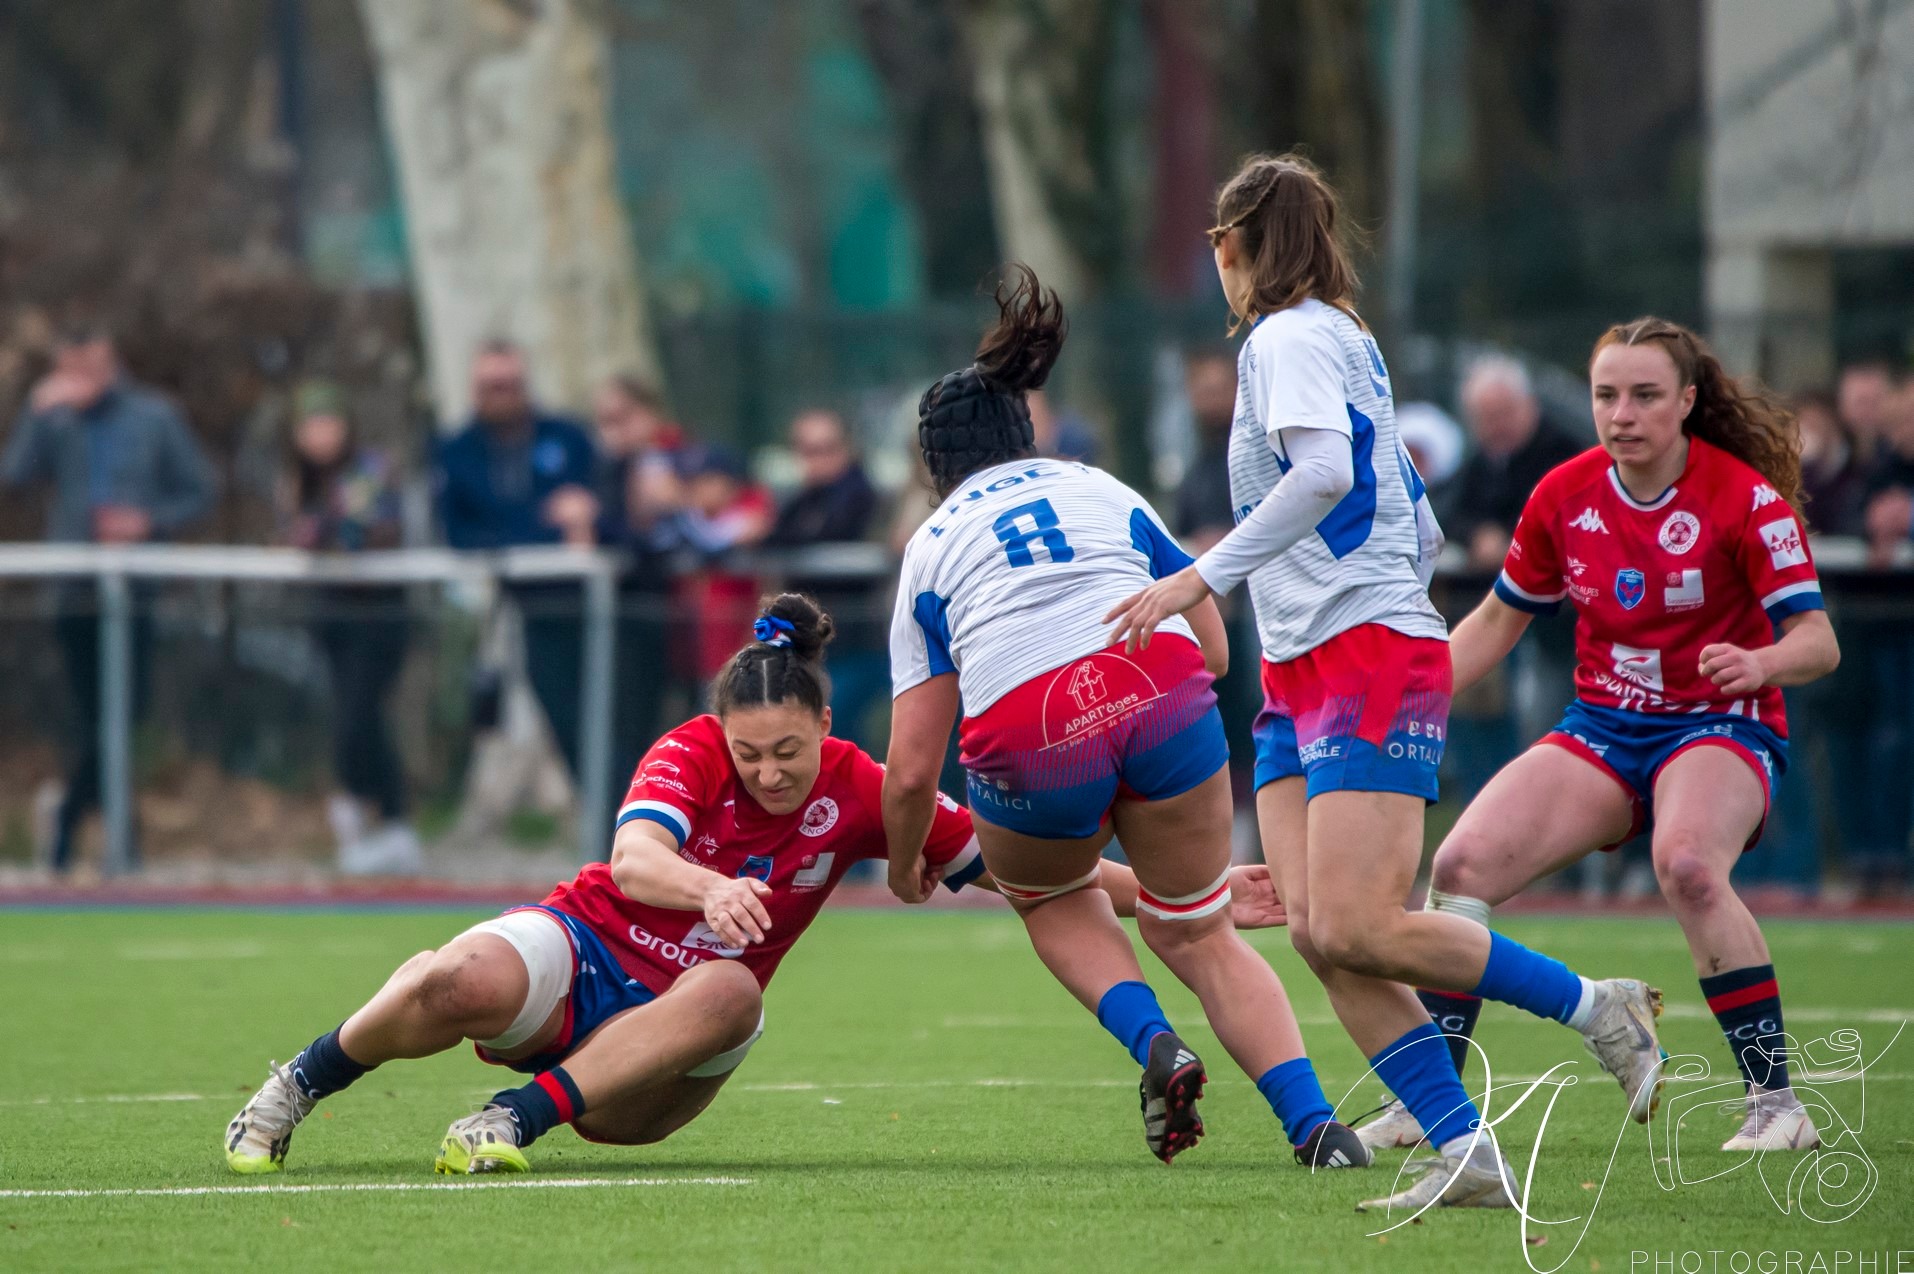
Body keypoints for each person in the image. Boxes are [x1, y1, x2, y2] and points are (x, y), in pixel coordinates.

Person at [223, 594, 1288, 1174]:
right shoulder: (688, 748)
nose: (768, 770)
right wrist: (703, 890)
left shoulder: (864, 785)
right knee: (448, 974)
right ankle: (296, 1087)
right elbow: (635, 858)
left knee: (737, 989)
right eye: (749, 752)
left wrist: (1180, 892)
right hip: (586, 951)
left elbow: (1029, 876)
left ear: (823, 726)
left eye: (787, 749)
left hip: (666, 1056)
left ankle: (509, 1116)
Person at [1105, 154, 1663, 1212]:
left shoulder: (1290, 333)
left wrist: (1202, 576)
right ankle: (1467, 1152)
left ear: (1237, 245)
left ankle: (1599, 1006)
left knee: (1359, 921)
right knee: (1320, 928)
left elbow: (1323, 473)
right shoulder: (1340, 336)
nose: (1215, 271)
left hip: (1359, 653)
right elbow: (1407, 507)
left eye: (1217, 250)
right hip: (1308, 662)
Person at [882, 266, 1368, 1170]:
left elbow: (912, 769)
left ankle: (1154, 1043)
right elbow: (1216, 647)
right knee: (1197, 929)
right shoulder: (1102, 488)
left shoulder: (931, 547)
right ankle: (1317, 1130)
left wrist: (909, 856)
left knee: (1052, 895)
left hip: (1035, 739)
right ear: (1029, 429)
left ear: (932, 467)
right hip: (1164, 695)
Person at [1370, 318, 1842, 1155]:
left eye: (1646, 395)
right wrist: (1399, 696)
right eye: (1606, 395)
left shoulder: (1744, 499)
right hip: (1603, 727)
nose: (1622, 413)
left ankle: (1776, 1106)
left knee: (1689, 866)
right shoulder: (1563, 493)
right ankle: (1427, 1101)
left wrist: (1762, 659)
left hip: (1717, 725)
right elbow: (1495, 621)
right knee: (1459, 866)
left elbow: (1819, 643)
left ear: (1688, 402)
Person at [1, 324, 217, 872]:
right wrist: (35, 411)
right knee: (93, 720)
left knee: (127, 713)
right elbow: (15, 475)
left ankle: (73, 825)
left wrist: (147, 522)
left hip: (135, 587)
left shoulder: (152, 417)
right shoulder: (58, 420)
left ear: (109, 361)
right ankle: (110, 839)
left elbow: (199, 489)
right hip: (74, 587)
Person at [436, 342, 599, 777]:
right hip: (517, 603)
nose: (501, 394)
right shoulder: (457, 450)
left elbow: (592, 506)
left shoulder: (567, 436)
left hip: (590, 602)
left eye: (510, 384)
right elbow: (459, 531)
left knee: (606, 717)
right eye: (491, 386)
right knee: (560, 712)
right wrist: (541, 528)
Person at [278, 382, 421, 875]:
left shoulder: (369, 469)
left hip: (377, 614)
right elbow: (301, 535)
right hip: (331, 614)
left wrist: (321, 532)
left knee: (360, 715)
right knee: (352, 714)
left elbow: (360, 530)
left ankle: (379, 812)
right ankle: (379, 819)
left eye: (328, 423)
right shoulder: (300, 480)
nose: (320, 435)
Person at [590, 374, 687, 792]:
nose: (613, 431)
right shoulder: (607, 468)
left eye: (622, 417)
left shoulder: (675, 460)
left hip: (672, 615)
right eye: (604, 420)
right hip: (623, 618)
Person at [770, 409, 885, 749]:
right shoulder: (805, 498)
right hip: (817, 645)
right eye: (806, 451)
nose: (815, 461)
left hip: (856, 643)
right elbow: (777, 535)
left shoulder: (859, 492)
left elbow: (830, 531)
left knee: (841, 733)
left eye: (825, 449)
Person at [1443, 355, 1582, 574]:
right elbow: (1451, 513)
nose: (1497, 427)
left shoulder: (1564, 455)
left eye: (1505, 413)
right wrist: (1477, 535)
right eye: (1487, 418)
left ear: (1530, 405)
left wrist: (1510, 540)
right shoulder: (1480, 463)